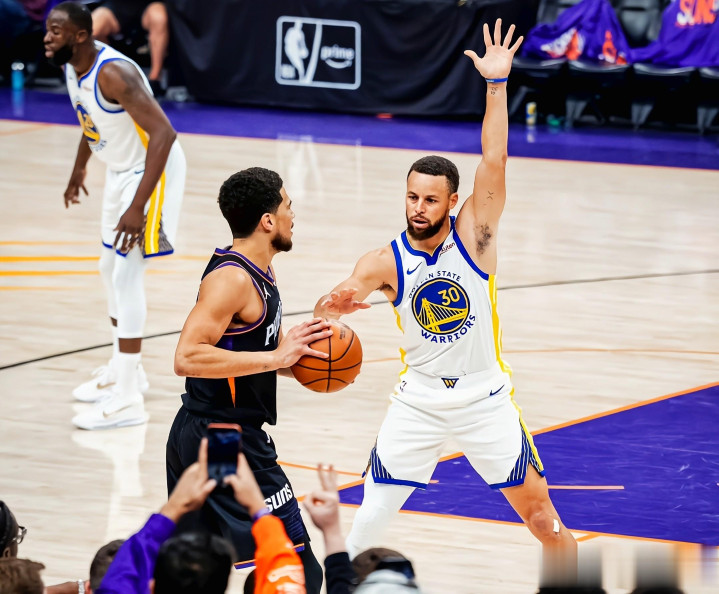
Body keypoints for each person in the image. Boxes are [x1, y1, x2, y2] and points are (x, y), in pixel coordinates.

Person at [314, 19, 578, 585]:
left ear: (452, 201)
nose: (418, 207)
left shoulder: (476, 234)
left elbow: (494, 159)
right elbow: (335, 301)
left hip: (485, 398)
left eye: (430, 200)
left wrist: (496, 85)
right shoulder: (385, 260)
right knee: (365, 525)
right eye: (411, 197)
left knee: (545, 522)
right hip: (418, 401)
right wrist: (333, 307)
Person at [168, 167, 332, 593]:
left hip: (209, 431)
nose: (293, 214)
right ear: (268, 220)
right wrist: (276, 356)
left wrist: (299, 353)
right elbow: (186, 356)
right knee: (298, 570)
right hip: (224, 437)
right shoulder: (233, 279)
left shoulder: (260, 270)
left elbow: (247, 352)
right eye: (288, 205)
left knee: (196, 575)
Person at [44, 2, 185, 430]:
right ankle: (129, 371)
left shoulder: (113, 73)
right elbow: (92, 122)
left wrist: (138, 206)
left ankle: (127, 401)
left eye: (55, 31)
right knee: (108, 269)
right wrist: (79, 169)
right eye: (47, 29)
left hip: (153, 170)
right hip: (122, 170)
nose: (46, 37)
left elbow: (164, 133)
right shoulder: (73, 66)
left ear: (80, 36)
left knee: (126, 275)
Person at [91, 1, 168, 94]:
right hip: (116, 6)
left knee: (158, 17)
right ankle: (101, 76)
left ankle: (154, 80)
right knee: (93, 28)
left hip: (147, 5)